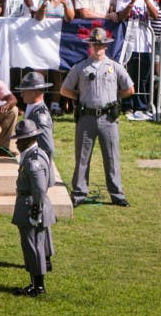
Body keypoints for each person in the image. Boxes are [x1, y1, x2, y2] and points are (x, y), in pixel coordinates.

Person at [60, 27, 134, 208]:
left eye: (101, 44)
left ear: (106, 46)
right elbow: (64, 89)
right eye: (95, 44)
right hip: (86, 117)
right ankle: (78, 193)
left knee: (112, 157)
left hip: (108, 118)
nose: (98, 47)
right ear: (90, 45)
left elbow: (130, 88)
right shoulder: (81, 67)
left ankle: (117, 194)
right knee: (82, 157)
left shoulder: (115, 67)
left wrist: (114, 98)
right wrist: (80, 97)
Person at [11, 119, 55, 297]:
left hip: (31, 207)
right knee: (34, 245)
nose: (17, 142)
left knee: (32, 246)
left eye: (19, 139)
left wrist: (35, 213)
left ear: (27, 139)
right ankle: (35, 282)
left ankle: (37, 286)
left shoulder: (33, 160)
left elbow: (38, 189)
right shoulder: (38, 154)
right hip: (31, 204)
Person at [14, 71, 55, 161]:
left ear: (35, 92)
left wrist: (39, 168)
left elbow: (48, 149)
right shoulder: (31, 108)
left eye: (24, 91)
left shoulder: (40, 117)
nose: (21, 94)